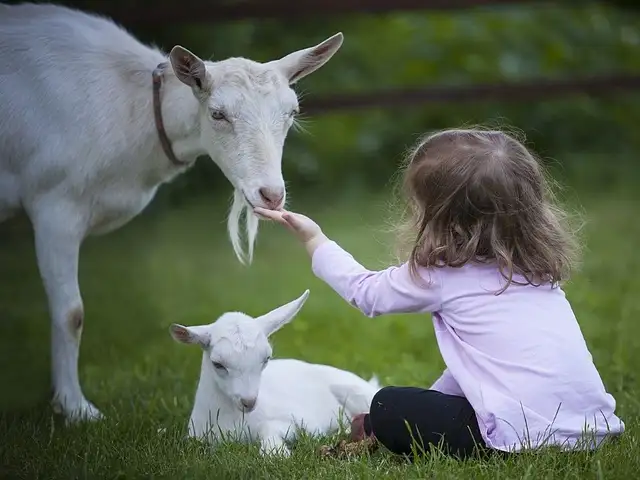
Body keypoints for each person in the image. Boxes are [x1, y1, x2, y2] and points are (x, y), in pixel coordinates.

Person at [254, 128, 624, 459]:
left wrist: (314, 239)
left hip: (520, 437)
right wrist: (434, 400)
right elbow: (479, 367)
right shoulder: (539, 274)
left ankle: (377, 426)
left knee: (387, 405)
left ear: (442, 217)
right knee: (407, 405)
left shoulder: (443, 276)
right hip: (591, 428)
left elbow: (365, 292)